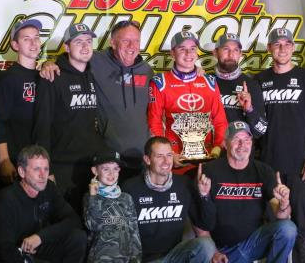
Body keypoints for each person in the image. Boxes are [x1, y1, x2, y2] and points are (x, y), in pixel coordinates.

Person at [40, 20, 153, 179]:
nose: (131, 46)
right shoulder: (96, 61)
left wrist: (195, 70)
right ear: (113, 43)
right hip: (108, 162)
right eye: (126, 41)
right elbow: (71, 59)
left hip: (142, 158)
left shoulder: (147, 70)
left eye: (136, 41)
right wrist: (48, 63)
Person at [254, 28, 305, 263]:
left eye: (287, 43)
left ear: (293, 47)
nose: (282, 48)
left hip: (301, 166)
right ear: (269, 48)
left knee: (303, 227)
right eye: (277, 44)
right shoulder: (260, 80)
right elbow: (254, 122)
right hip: (269, 166)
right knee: (274, 226)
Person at [33, 23, 105, 213]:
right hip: (62, 167)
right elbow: (42, 126)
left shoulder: (94, 75)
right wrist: (47, 170)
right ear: (66, 46)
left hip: (91, 167)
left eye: (89, 41)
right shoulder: (52, 76)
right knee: (68, 224)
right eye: (78, 42)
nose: (85, 46)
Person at [201, 121, 296, 263]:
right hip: (220, 251)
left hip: (252, 246)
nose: (242, 145)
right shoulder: (209, 171)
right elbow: (198, 220)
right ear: (225, 144)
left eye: (246, 140)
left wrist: (283, 204)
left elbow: (281, 215)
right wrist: (213, 252)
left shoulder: (263, 171)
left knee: (288, 229)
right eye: (236, 140)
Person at [123, 136, 216, 263]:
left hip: (175, 255)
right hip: (144, 259)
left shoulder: (184, 184)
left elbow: (206, 224)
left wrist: (204, 196)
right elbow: (120, 234)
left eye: (169, 155)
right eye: (160, 156)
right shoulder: (130, 188)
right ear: (147, 159)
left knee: (207, 245)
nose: (166, 161)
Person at [148, 30, 228, 175]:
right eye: (182, 49)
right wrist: (169, 155)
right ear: (172, 53)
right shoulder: (160, 82)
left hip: (208, 160)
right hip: (176, 162)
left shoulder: (209, 81)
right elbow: (155, 123)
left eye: (192, 49)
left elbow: (220, 120)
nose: (188, 53)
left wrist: (217, 148)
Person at [0, 145, 87, 263]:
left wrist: (40, 237)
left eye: (46, 169)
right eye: (37, 169)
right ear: (21, 171)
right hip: (16, 254)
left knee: (78, 237)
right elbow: (3, 248)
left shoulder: (49, 188)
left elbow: (74, 220)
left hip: (39, 247)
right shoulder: (6, 199)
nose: (43, 175)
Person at [0, 19, 42, 185]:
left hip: (41, 160)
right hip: (16, 160)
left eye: (36, 37)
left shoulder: (45, 76)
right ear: (15, 45)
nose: (33, 43)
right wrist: (4, 160)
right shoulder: (8, 79)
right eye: (26, 39)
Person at [83, 149, 141, 262]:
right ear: (95, 171)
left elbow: (134, 231)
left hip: (125, 259)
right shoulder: (90, 197)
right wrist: (93, 196)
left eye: (115, 169)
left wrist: (136, 258)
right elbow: (93, 225)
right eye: (106, 169)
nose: (112, 173)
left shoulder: (126, 198)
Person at [213, 33, 267, 138]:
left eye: (236, 50)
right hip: (213, 151)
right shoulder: (206, 82)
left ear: (240, 54)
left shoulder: (251, 84)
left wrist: (249, 110)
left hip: (242, 152)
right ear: (215, 53)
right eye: (226, 49)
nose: (231, 54)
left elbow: (261, 131)